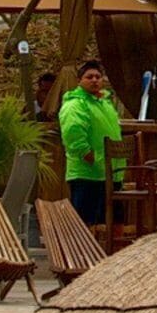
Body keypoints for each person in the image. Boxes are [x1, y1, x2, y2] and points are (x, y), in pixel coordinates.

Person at [57, 58, 122, 228]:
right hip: (87, 173)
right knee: (85, 225)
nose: (94, 80)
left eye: (98, 77)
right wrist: (89, 156)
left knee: (108, 224)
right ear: (79, 81)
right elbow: (73, 134)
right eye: (89, 77)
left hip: (110, 173)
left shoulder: (105, 103)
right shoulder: (75, 104)